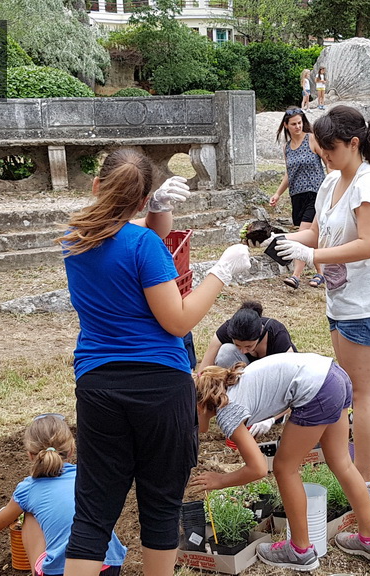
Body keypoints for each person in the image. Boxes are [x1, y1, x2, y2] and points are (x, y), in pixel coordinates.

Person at [60, 148, 252, 576]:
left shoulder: (75, 239)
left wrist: (156, 213)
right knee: (161, 506)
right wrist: (221, 271)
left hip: (97, 385)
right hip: (159, 388)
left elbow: (119, 243)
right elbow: (176, 319)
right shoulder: (143, 244)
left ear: (96, 186)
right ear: (144, 198)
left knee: (94, 511)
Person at [271, 105, 370, 497]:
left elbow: (369, 244)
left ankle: (361, 482)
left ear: (354, 143)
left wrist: (313, 258)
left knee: (361, 394)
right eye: (320, 148)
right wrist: (280, 240)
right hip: (343, 299)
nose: (323, 154)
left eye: (330, 148)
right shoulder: (332, 182)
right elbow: (316, 233)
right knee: (357, 390)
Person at [193, 354, 370, 571]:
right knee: (341, 461)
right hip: (334, 375)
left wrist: (221, 480)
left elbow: (258, 468)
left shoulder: (226, 409)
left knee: (284, 468)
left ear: (201, 405)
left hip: (317, 388)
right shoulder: (233, 384)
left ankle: (300, 551)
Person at [0, 414, 125, 576]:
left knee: (29, 513)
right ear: (72, 450)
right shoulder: (90, 477)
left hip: (62, 572)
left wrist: (0, 512)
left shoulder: (28, 489)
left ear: (30, 455)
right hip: (108, 564)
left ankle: (38, 571)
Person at [270, 108, 327, 289]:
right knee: (310, 238)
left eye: (300, 122)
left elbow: (328, 162)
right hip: (297, 195)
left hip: (316, 192)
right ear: (286, 125)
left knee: (302, 234)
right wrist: (278, 193)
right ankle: (321, 273)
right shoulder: (286, 148)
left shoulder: (311, 139)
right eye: (293, 123)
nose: (297, 126)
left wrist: (333, 186)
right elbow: (289, 174)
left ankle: (296, 275)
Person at [199, 300, 297, 369]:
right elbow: (205, 368)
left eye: (249, 346)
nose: (243, 351)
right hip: (242, 373)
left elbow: (291, 369)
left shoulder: (277, 333)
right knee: (226, 352)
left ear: (260, 333)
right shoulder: (227, 328)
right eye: (237, 345)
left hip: (272, 376)